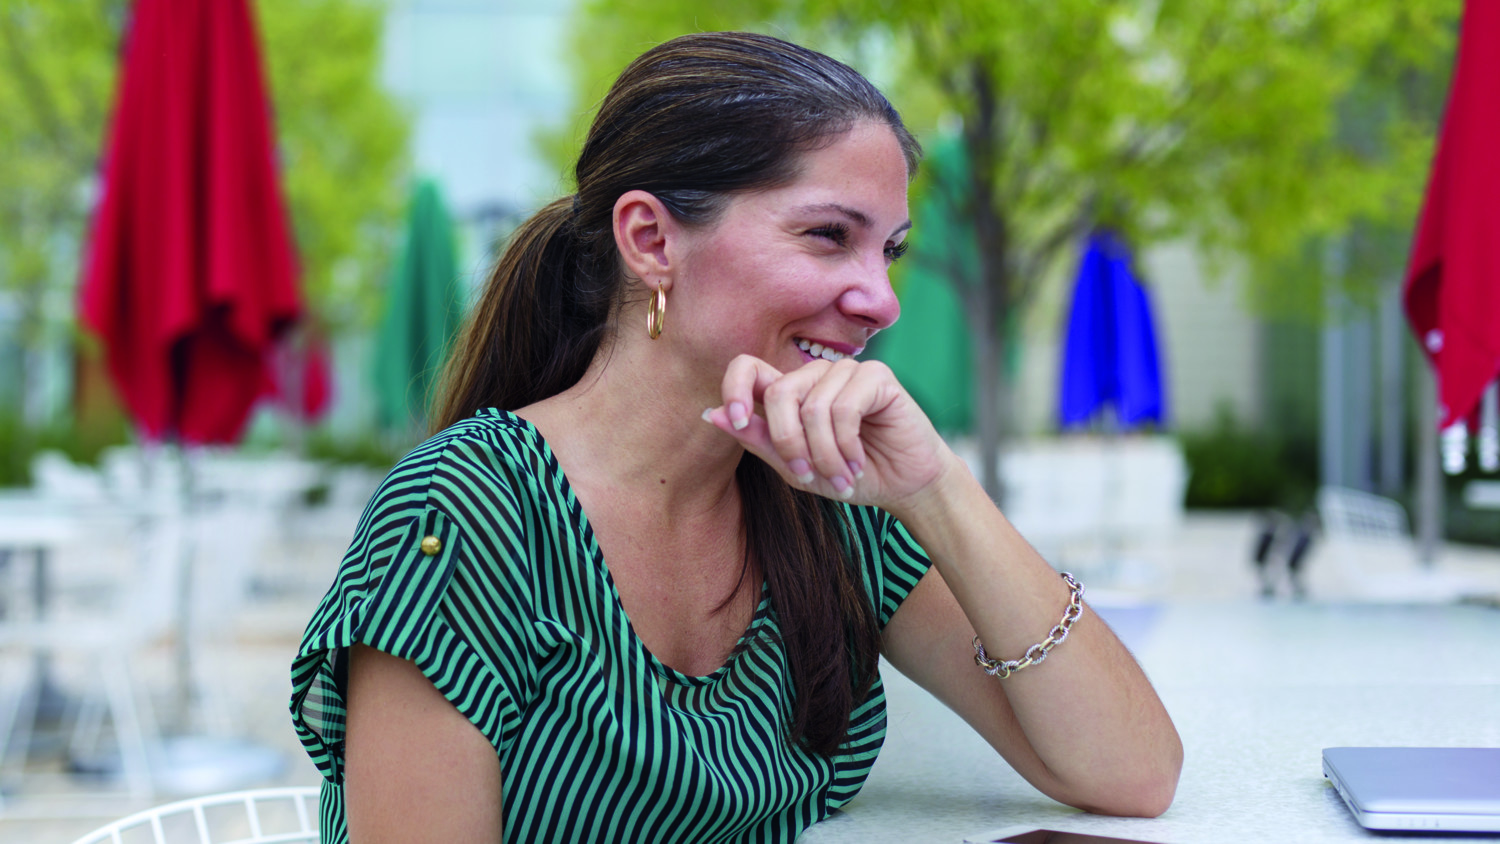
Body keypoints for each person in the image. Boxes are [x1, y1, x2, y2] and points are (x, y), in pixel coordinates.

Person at [289, 31, 1182, 844]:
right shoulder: (467, 512)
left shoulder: (829, 491)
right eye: (830, 237)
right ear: (651, 240)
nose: (883, 299)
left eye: (890, 251)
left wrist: (935, 486)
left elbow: (1130, 772)